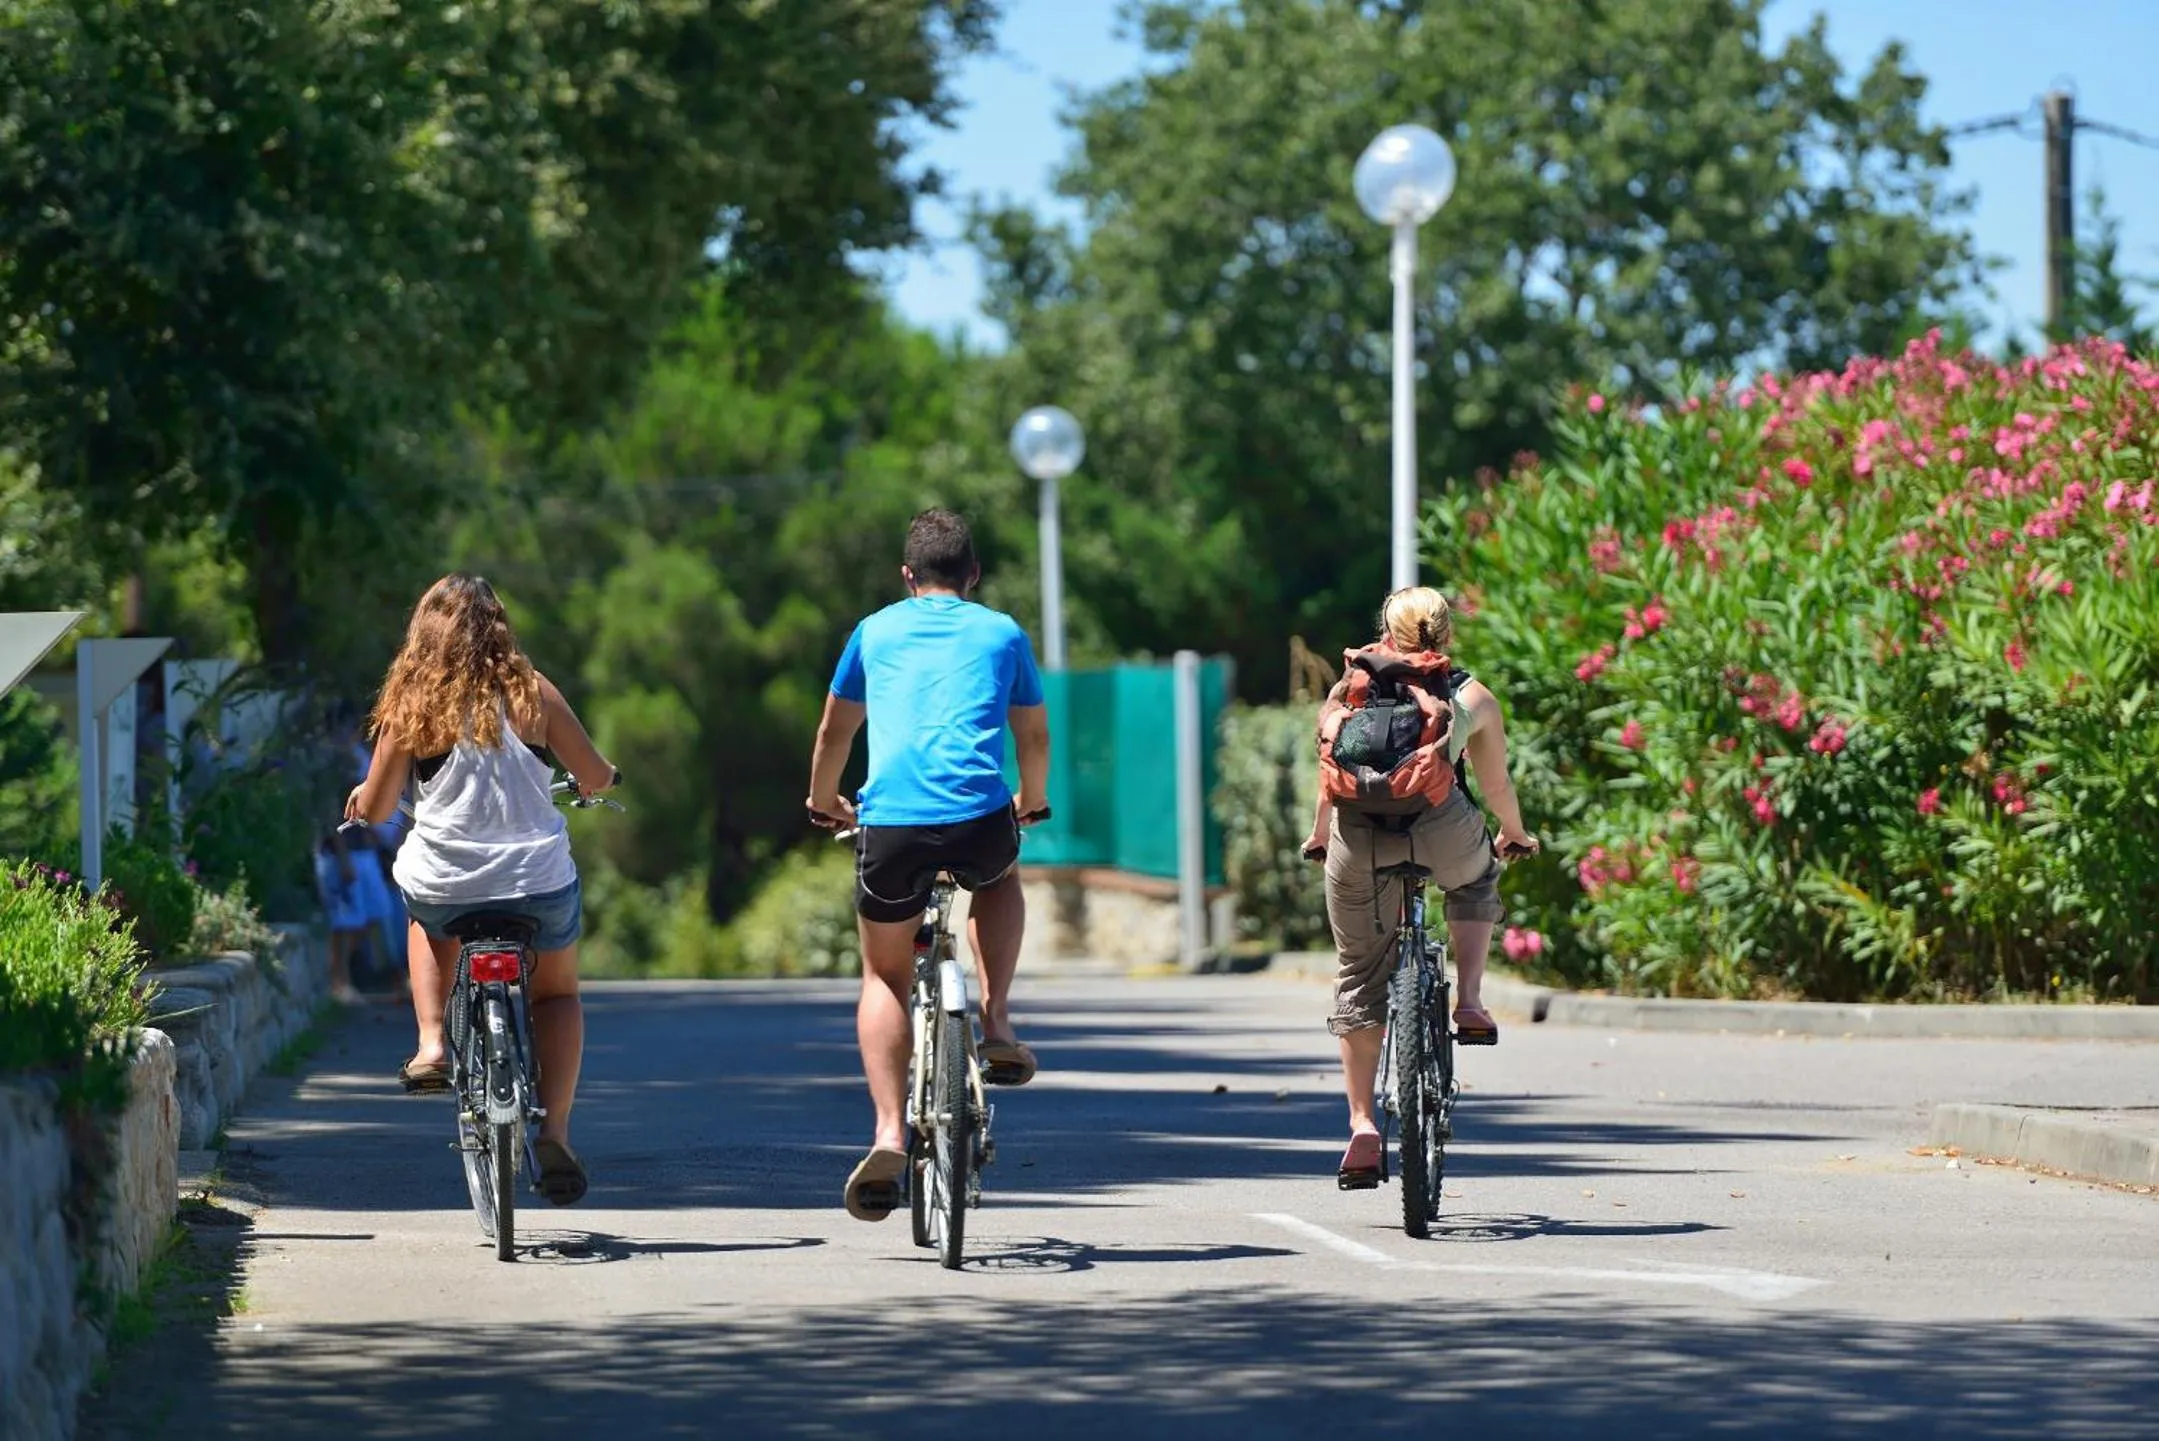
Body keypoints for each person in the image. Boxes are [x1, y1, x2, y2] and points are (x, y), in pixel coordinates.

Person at [805, 508, 1051, 1223]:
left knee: (883, 972)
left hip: (892, 827)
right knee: (1000, 873)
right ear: (972, 574)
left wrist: (825, 802)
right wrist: (1029, 802)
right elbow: (1030, 733)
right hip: (979, 822)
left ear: (907, 576)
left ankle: (887, 1131)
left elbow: (834, 730)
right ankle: (997, 1019)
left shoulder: (873, 630)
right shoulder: (1002, 631)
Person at [346, 573, 617, 1206]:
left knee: (423, 916)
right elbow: (595, 773)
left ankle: (433, 1043)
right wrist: (598, 783)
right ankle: (556, 1129)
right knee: (556, 995)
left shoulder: (413, 702)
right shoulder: (532, 693)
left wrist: (363, 798)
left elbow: (383, 806)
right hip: (536, 882)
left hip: (447, 884)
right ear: (497, 627)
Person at [1302, 586, 1538, 1189]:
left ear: (1384, 630)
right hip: (1442, 831)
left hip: (1360, 839)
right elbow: (1497, 787)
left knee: (1359, 973)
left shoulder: (1347, 691)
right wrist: (1515, 834)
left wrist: (1319, 837)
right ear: (1447, 634)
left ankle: (1361, 1125)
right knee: (1478, 874)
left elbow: (1331, 777)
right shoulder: (1471, 696)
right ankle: (1471, 1002)